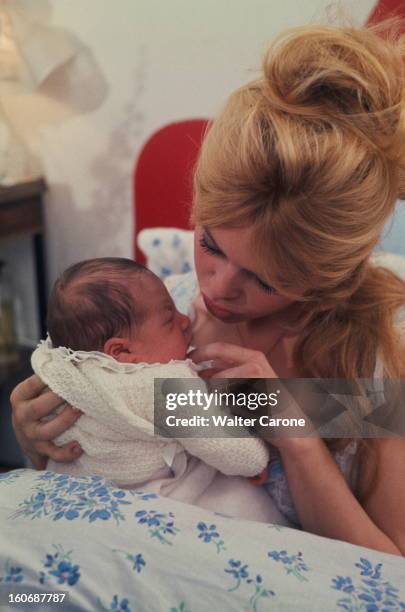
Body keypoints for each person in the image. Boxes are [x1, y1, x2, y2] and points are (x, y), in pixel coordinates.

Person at [11, 20, 405, 554]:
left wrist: (297, 437)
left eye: (265, 280)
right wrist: (40, 440)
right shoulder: (154, 316)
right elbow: (110, 471)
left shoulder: (371, 361)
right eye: (211, 244)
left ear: (324, 279)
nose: (216, 288)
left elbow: (391, 567)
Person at [29, 257, 281, 523]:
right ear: (122, 351)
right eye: (212, 247)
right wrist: (257, 459)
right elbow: (241, 455)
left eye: (261, 276)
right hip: (138, 504)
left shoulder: (61, 368)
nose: (185, 320)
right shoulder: (164, 386)